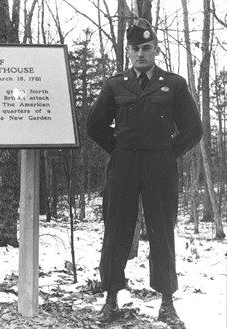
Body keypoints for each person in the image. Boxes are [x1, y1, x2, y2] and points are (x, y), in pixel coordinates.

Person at [86, 18, 202, 329]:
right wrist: (120, 149)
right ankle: (111, 299)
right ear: (128, 51)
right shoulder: (115, 85)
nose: (141, 54)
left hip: (160, 167)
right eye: (135, 48)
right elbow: (94, 125)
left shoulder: (173, 84)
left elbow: (193, 129)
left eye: (146, 48)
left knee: (162, 231)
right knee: (115, 231)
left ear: (156, 49)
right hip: (123, 166)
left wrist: (167, 152)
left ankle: (166, 302)